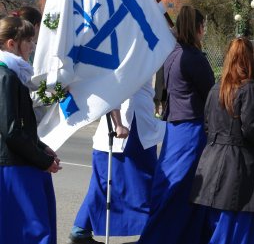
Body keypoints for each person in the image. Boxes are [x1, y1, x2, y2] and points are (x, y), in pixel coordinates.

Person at [138, 5, 215, 244]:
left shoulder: (172, 53)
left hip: (175, 127)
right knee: (183, 188)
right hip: (191, 128)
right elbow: (211, 93)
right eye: (203, 27)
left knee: (170, 185)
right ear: (198, 28)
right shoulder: (192, 57)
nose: (204, 32)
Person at [191, 36, 254, 244]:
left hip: (212, 158)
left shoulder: (215, 88)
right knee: (235, 223)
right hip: (238, 163)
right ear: (250, 59)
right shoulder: (248, 88)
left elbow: (207, 125)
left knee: (223, 220)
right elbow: (249, 127)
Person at [68, 83, 166, 243]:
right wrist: (119, 123)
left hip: (136, 125)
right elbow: (114, 87)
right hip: (129, 128)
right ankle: (151, 232)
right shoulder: (131, 58)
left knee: (103, 184)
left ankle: (80, 230)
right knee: (139, 185)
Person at [0, 16, 61, 244]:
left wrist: (42, 148)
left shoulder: (13, 74)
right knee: (32, 231)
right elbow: (11, 131)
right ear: (11, 44)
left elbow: (18, 126)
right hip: (13, 166)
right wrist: (42, 161)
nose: (33, 47)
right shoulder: (5, 76)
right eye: (28, 41)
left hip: (17, 162)